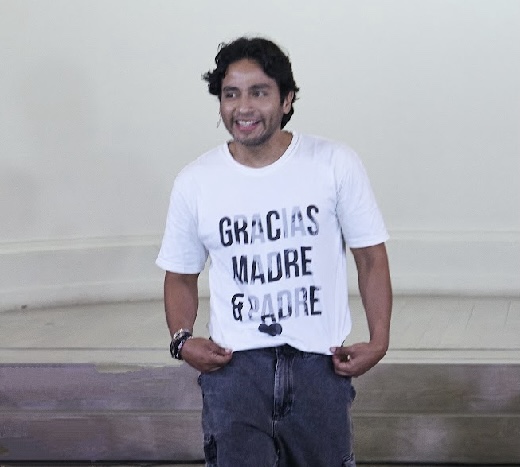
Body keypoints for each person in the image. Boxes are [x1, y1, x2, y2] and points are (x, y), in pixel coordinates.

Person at [156, 36, 392, 467]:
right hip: (234, 371)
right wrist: (182, 340)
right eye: (231, 94)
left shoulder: (333, 163)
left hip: (319, 367)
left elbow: (371, 258)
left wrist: (379, 341)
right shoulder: (196, 181)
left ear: (287, 100)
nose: (243, 107)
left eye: (259, 92)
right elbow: (180, 274)